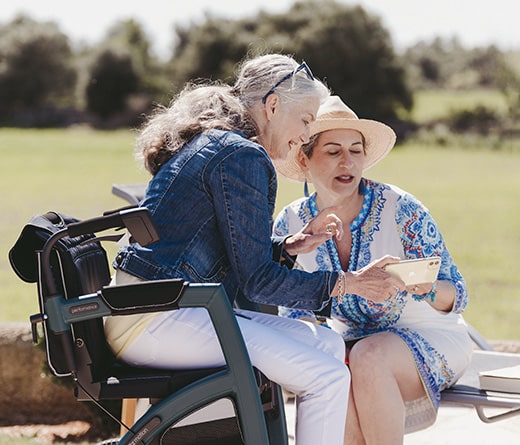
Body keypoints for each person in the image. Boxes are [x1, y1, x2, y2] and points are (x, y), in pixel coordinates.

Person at [104, 55, 350, 445]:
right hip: (155, 322)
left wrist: (288, 246)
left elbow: (229, 252)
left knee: (327, 343)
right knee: (329, 377)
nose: (305, 137)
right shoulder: (242, 156)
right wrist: (346, 284)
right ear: (272, 106)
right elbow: (256, 283)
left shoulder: (220, 144)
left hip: (161, 310)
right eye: (305, 120)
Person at [274, 96, 473, 444]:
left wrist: (414, 282)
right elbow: (290, 310)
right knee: (338, 368)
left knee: (365, 357)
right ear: (305, 159)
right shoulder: (290, 223)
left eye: (355, 150)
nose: (347, 161)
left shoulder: (401, 208)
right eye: (333, 151)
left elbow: (457, 296)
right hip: (351, 345)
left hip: (430, 335)